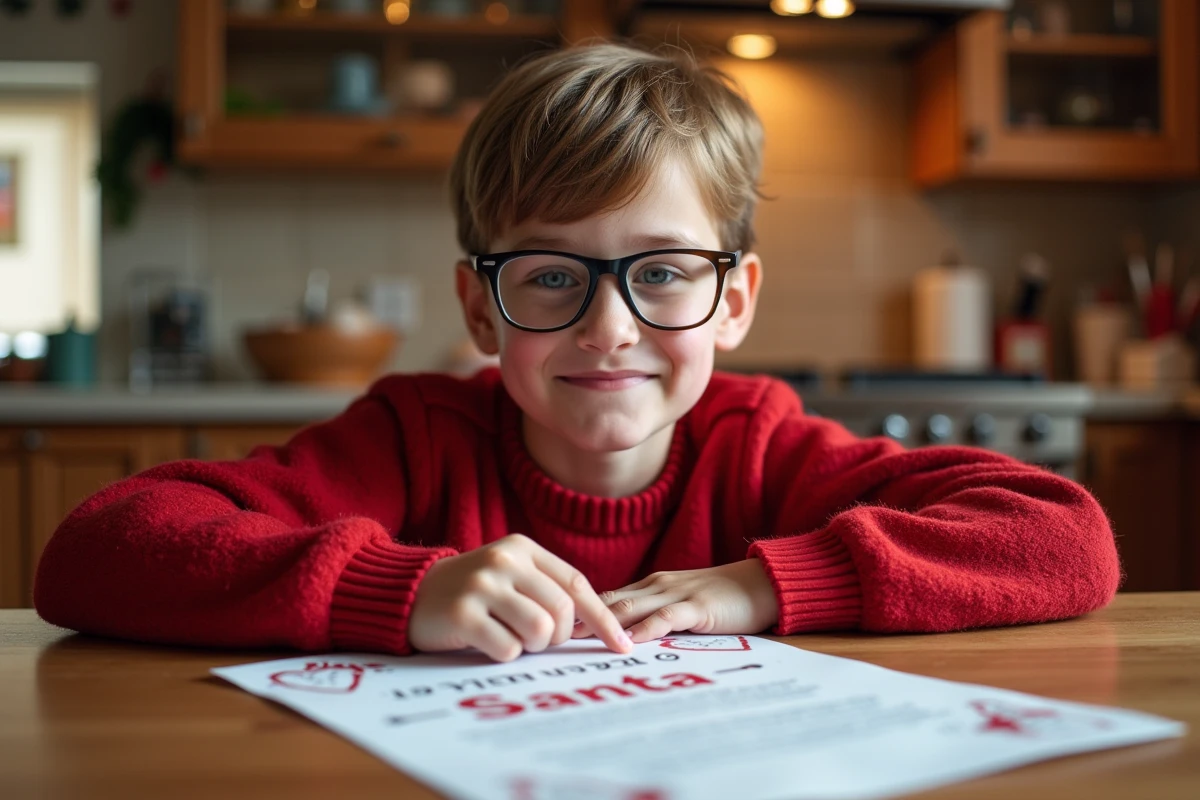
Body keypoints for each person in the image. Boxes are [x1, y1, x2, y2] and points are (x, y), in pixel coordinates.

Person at [34, 44, 1119, 663]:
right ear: (479, 307)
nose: (608, 327)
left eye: (662, 271)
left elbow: (1066, 536)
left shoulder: (761, 445)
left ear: (733, 298)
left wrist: (757, 584)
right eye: (550, 275)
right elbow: (96, 547)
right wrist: (393, 588)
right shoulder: (415, 437)